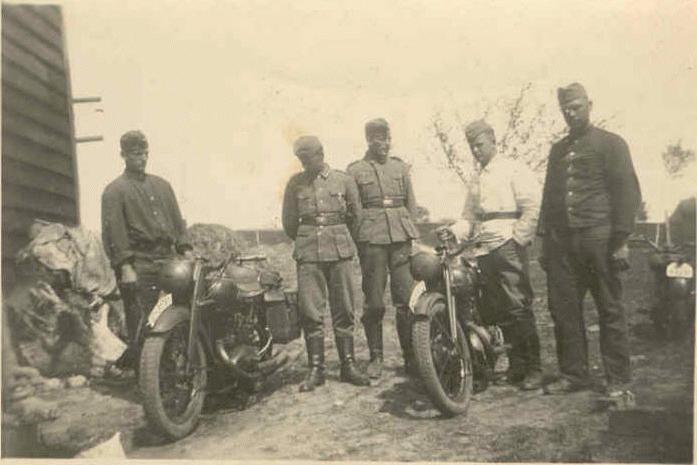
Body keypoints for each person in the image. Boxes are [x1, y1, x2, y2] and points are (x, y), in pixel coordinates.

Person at [538, 83, 642, 398]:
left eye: (576, 107)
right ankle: (574, 375)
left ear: (589, 105)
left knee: (610, 309)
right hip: (562, 244)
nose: (571, 113)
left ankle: (618, 379)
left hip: (600, 239)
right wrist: (545, 242)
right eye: (566, 109)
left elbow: (627, 192)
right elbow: (549, 198)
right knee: (564, 310)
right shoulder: (557, 151)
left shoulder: (611, 144)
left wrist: (621, 240)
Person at [438, 119, 543, 390]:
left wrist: (518, 238)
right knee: (498, 307)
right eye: (472, 146)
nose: (476, 150)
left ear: (493, 141)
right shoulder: (477, 178)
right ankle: (516, 366)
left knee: (517, 304)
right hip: (484, 249)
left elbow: (532, 205)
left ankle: (534, 368)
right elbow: (469, 217)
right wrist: (453, 232)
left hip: (508, 244)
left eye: (480, 144)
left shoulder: (512, 168)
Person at [282, 135, 370, 392]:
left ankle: (348, 365)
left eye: (308, 158)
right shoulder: (295, 184)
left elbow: (357, 216)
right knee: (311, 312)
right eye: (301, 159)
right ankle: (316, 369)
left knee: (344, 308)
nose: (304, 164)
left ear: (321, 154)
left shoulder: (343, 180)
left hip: (340, 250)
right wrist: (307, 239)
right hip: (309, 253)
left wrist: (343, 238)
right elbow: (289, 222)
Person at [101, 130, 192, 369]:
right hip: (140, 264)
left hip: (169, 261)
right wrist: (125, 267)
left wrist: (186, 250)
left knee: (174, 311)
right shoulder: (115, 191)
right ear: (123, 155)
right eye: (135, 154)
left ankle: (172, 369)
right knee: (143, 321)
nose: (141, 158)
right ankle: (144, 375)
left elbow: (177, 222)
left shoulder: (162, 186)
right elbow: (114, 233)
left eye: (144, 153)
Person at [347, 118, 420, 379]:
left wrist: (411, 233)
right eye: (380, 139)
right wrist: (361, 241)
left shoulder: (400, 167)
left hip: (400, 238)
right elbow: (354, 211)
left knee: (407, 301)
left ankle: (411, 357)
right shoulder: (355, 171)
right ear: (369, 140)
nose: (385, 144)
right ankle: (376, 357)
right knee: (374, 302)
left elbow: (411, 204)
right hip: (373, 240)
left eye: (388, 139)